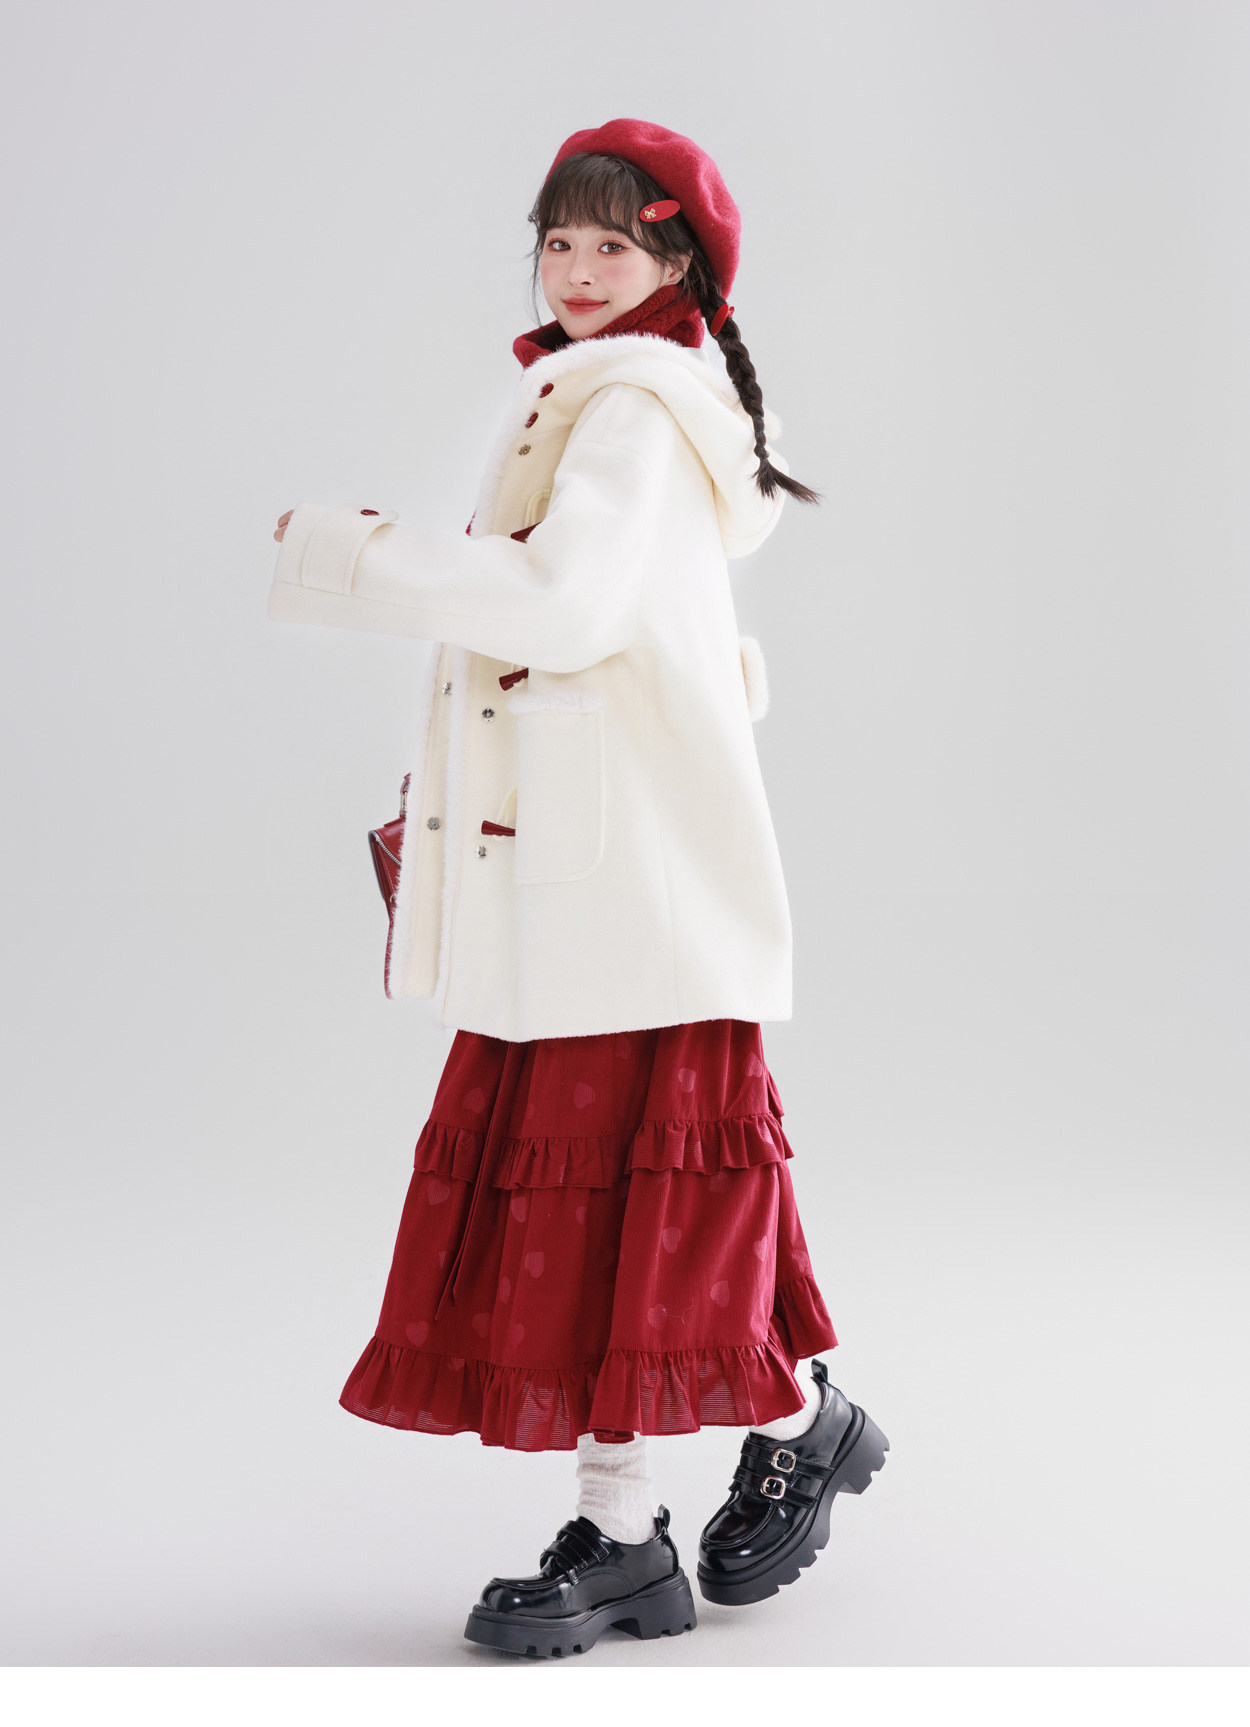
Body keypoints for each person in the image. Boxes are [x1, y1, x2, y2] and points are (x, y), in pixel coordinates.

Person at [269, 117, 887, 1660]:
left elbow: (563, 605)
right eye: (559, 241)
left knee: (631, 1216)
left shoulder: (630, 409)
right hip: (596, 880)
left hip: (623, 891)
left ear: (675, 265)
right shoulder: (611, 396)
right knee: (619, 1221)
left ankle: (714, 1477)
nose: (580, 268)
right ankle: (681, 1501)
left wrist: (351, 556)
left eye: (615, 243)